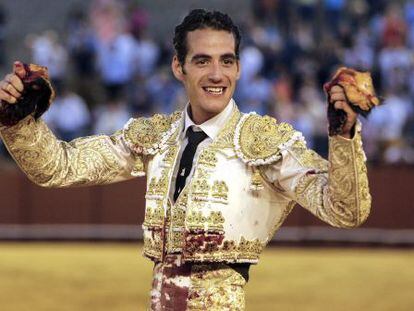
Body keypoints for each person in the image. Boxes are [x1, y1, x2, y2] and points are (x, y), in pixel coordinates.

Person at [0, 9, 370, 311]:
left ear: (239, 68)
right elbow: (58, 168)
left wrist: (343, 135)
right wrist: (19, 120)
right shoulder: (154, 137)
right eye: (203, 61)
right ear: (179, 67)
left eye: (227, 61)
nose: (217, 74)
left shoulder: (264, 143)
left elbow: (345, 210)